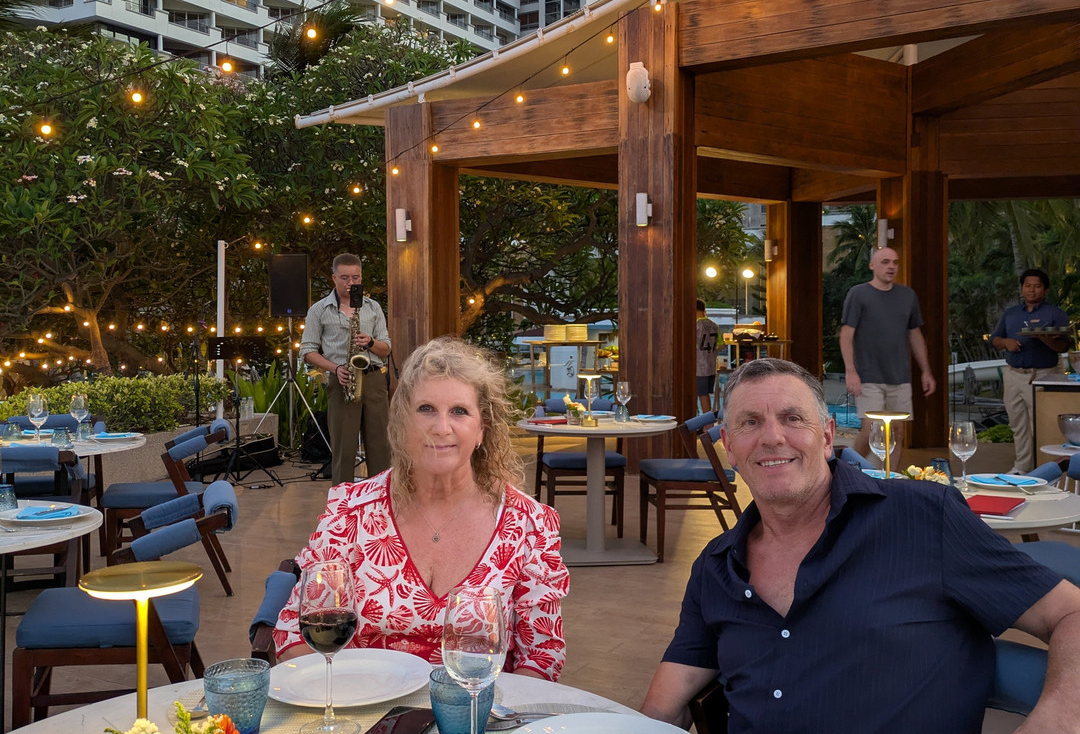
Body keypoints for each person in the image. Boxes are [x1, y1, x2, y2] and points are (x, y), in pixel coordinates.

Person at [641, 357, 1080, 733]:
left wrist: (1057, 720)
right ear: (729, 447)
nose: (772, 437)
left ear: (827, 436)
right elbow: (662, 708)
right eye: (750, 422)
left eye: (793, 418)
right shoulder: (716, 567)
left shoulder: (923, 517)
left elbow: (1070, 612)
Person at [274, 336, 569, 680]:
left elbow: (542, 656)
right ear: (403, 423)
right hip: (363, 701)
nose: (441, 428)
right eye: (426, 409)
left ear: (481, 430)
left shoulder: (528, 524)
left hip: (476, 705)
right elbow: (292, 634)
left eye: (459, 411)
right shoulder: (351, 512)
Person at [300, 254, 391, 483]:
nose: (351, 283)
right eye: (345, 278)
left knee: (380, 447)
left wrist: (370, 342)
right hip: (342, 380)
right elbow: (307, 350)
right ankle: (342, 500)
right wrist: (335, 368)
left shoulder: (373, 307)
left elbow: (386, 348)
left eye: (356, 277)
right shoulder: (319, 310)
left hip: (373, 380)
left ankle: (379, 498)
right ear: (334, 278)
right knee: (343, 449)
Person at [839, 246, 935, 459]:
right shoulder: (858, 294)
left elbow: (915, 335)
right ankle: (848, 470)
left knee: (897, 433)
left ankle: (888, 477)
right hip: (868, 376)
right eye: (885, 262)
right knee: (871, 431)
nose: (891, 266)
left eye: (895, 262)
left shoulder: (907, 296)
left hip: (900, 377)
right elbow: (846, 334)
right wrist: (850, 371)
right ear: (872, 265)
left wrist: (926, 371)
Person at [991, 268, 1071, 474]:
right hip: (1014, 375)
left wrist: (1045, 339)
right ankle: (1022, 468)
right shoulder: (1011, 314)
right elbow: (995, 340)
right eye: (1027, 286)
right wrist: (1006, 342)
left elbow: (1063, 347)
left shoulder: (1055, 314)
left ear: (1045, 290)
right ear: (1022, 289)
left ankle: (1047, 469)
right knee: (1018, 425)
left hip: (1044, 375)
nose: (1031, 290)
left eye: (1036, 286)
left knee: (1043, 426)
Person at [696, 299, 720, 414]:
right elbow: (722, 344)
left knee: (701, 394)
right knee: (705, 394)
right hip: (711, 366)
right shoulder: (714, 325)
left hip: (698, 367)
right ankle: (708, 420)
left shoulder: (695, 325)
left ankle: (706, 422)